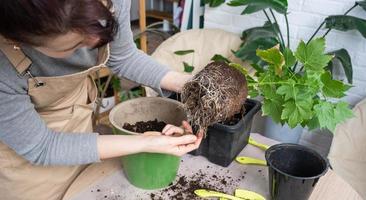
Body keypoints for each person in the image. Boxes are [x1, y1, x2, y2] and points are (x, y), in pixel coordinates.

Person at [0, 0, 203, 199]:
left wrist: (190, 85)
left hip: (78, 118)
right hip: (26, 161)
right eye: (78, 44)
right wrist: (145, 142)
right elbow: (43, 146)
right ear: (16, 40)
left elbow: (122, 56)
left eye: (102, 21)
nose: (97, 41)